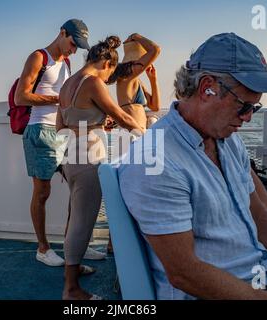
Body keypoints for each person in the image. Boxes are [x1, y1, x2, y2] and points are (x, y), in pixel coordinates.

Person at [118, 33, 267, 299]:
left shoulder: (227, 141)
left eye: (254, 108)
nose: (247, 118)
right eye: (243, 106)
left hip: (265, 274)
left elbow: (259, 213)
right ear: (207, 87)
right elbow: (185, 273)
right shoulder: (155, 160)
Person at [57, 36, 144, 300]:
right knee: (83, 221)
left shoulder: (67, 84)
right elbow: (122, 116)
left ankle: (73, 268)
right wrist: (145, 133)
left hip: (70, 155)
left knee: (75, 215)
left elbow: (62, 126)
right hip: (88, 158)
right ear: (106, 63)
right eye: (110, 75)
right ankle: (71, 289)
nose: (108, 81)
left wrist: (93, 125)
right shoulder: (93, 82)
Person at [15, 19, 103, 266]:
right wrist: (57, 99)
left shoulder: (66, 61)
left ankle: (75, 244)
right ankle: (43, 249)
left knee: (78, 190)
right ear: (62, 33)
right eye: (73, 44)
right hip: (40, 131)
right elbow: (20, 97)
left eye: (77, 48)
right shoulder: (38, 57)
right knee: (42, 192)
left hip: (63, 132)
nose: (73, 50)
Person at [108, 33, 161, 131]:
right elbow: (155, 49)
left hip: (139, 134)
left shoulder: (135, 80)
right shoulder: (125, 76)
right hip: (131, 134)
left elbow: (155, 107)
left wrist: (153, 80)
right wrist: (136, 36)